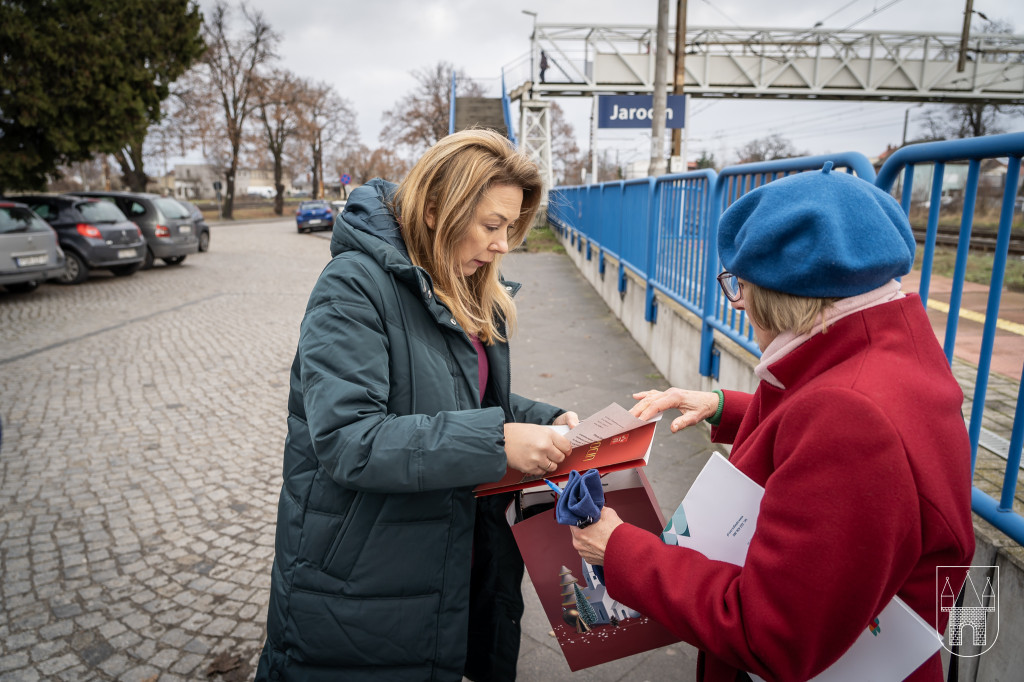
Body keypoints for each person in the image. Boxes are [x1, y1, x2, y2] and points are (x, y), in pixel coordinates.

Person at [570, 163, 976, 681]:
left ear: (775, 296)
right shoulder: (888, 347)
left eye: (739, 287)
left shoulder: (852, 422)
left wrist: (619, 551)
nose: (738, 303)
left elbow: (771, 634)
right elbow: (828, 432)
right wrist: (724, 407)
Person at [255, 129, 579, 682]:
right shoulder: (353, 286)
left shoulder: (462, 283)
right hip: (361, 578)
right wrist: (498, 441)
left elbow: (464, 396)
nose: (503, 245)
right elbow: (349, 440)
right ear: (435, 211)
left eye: (510, 228)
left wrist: (541, 419)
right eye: (492, 226)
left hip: (445, 554)